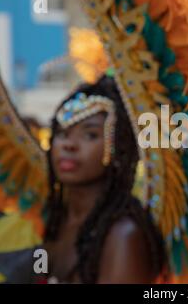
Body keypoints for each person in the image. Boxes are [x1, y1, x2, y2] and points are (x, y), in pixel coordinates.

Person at [42, 74, 165, 283]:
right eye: (62, 133)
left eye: (90, 135)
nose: (69, 145)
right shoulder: (55, 221)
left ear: (116, 147)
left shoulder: (123, 235)